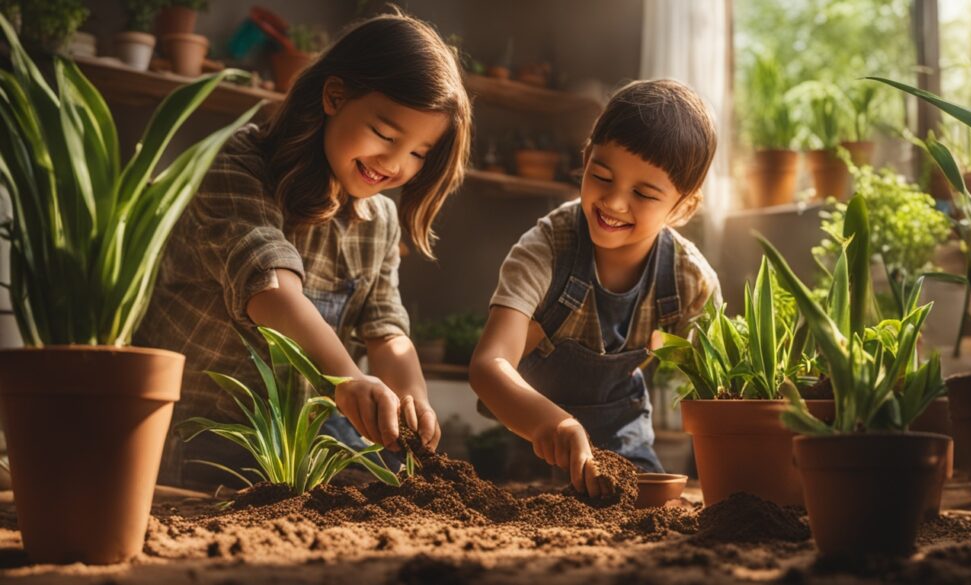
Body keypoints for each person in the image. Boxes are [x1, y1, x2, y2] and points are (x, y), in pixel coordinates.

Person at [136, 11, 472, 488]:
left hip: (306, 436)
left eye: (419, 152)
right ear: (334, 96)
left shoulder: (379, 221)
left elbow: (386, 328)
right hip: (203, 430)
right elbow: (271, 288)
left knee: (393, 484)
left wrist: (412, 394)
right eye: (385, 134)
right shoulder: (240, 165)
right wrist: (346, 379)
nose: (395, 164)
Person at [469, 79, 721, 497]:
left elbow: (719, 393)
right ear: (585, 159)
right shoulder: (546, 249)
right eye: (601, 176)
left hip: (623, 446)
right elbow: (488, 366)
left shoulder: (690, 280)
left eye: (643, 193)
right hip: (530, 439)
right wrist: (554, 424)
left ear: (683, 207)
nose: (615, 202)